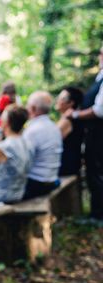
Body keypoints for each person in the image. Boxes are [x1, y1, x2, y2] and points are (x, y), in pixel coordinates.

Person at [65, 44, 103, 220]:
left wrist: (75, 114)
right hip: (94, 132)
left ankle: (98, 215)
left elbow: (99, 110)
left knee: (97, 172)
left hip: (99, 133)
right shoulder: (99, 78)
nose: (100, 56)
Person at [22, 91, 63, 199]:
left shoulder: (33, 130)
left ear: (33, 108)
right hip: (52, 180)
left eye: (27, 105)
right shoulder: (54, 127)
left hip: (37, 184)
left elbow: (24, 161)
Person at [55, 86, 85, 176]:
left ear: (71, 103)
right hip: (72, 164)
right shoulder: (70, 118)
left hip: (66, 166)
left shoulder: (66, 121)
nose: (58, 100)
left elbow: (52, 141)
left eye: (61, 98)